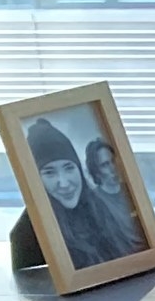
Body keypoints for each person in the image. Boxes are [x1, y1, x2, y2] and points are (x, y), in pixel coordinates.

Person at [27, 114, 136, 267]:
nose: (64, 183)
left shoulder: (100, 209)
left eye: (69, 168)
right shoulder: (39, 226)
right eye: (49, 172)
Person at [85, 136, 148, 258]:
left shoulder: (132, 191)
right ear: (96, 170)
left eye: (113, 161)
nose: (112, 168)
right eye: (105, 165)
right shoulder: (94, 200)